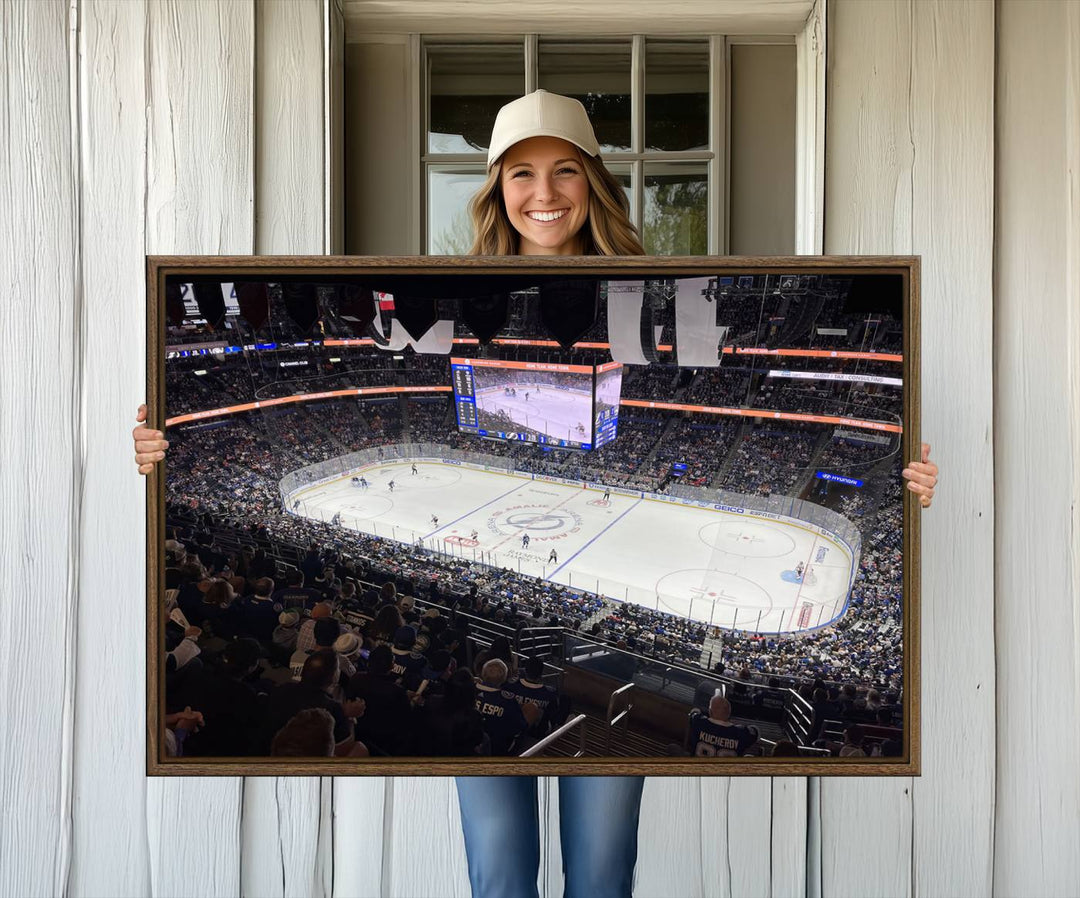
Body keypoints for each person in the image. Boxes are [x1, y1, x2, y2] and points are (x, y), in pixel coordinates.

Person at [132, 88, 940, 898]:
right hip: (498, 702)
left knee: (600, 868)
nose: (543, 193)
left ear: (594, 181)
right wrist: (157, 439)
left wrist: (907, 475)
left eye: (564, 172)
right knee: (500, 871)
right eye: (520, 173)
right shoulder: (437, 289)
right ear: (495, 188)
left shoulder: (662, 284)